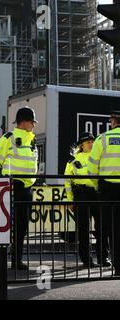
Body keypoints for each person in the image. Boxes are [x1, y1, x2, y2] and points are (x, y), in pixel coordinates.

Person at [0, 107, 38, 270]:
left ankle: (16, 260)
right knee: (6, 225)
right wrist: (1, 183)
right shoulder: (7, 138)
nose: (33, 125)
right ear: (23, 122)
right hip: (11, 186)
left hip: (27, 187)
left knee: (22, 226)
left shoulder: (32, 139)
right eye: (32, 122)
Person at [64, 132, 107, 268]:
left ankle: (103, 258)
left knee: (102, 227)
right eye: (88, 142)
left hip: (96, 194)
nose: (92, 144)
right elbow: (68, 183)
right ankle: (86, 260)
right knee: (83, 229)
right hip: (81, 195)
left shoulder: (99, 158)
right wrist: (70, 200)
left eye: (93, 141)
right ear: (81, 145)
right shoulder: (73, 161)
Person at [87, 108, 120, 276]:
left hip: (108, 190)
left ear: (114, 121)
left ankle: (118, 267)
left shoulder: (102, 139)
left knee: (112, 229)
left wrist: (96, 185)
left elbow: (92, 166)